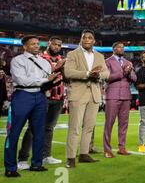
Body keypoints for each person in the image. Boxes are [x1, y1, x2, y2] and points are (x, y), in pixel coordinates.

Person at [4, 35, 60, 178]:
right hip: (23, 95)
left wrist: (54, 79)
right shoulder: (17, 60)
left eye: (37, 43)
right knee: (14, 132)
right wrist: (44, 80)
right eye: (33, 44)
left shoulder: (44, 62)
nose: (36, 46)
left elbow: (46, 82)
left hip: (40, 96)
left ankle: (37, 163)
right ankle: (10, 167)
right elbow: (21, 79)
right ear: (25, 46)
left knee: (39, 132)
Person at [17, 36, 66, 170]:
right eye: (54, 44)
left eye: (59, 45)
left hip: (58, 97)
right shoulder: (39, 58)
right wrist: (57, 68)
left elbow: (65, 78)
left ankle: (46, 156)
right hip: (42, 96)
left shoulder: (62, 59)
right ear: (49, 44)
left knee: (49, 128)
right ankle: (22, 159)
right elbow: (39, 77)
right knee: (33, 128)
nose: (57, 47)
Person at [64, 30, 109, 168]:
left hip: (94, 94)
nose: (87, 40)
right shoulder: (72, 54)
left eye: (90, 38)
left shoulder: (100, 56)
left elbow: (106, 73)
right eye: (85, 37)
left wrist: (99, 76)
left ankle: (84, 154)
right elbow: (68, 72)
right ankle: (70, 158)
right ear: (81, 39)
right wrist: (88, 74)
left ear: (94, 41)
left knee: (89, 127)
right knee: (74, 127)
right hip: (78, 93)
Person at [103, 42, 137, 158]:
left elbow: (134, 78)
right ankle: (107, 149)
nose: (122, 49)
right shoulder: (107, 62)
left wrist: (129, 73)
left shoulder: (128, 62)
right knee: (109, 123)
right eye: (119, 47)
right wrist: (123, 72)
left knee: (124, 124)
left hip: (126, 95)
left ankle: (122, 147)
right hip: (112, 95)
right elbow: (107, 78)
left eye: (123, 47)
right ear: (113, 49)